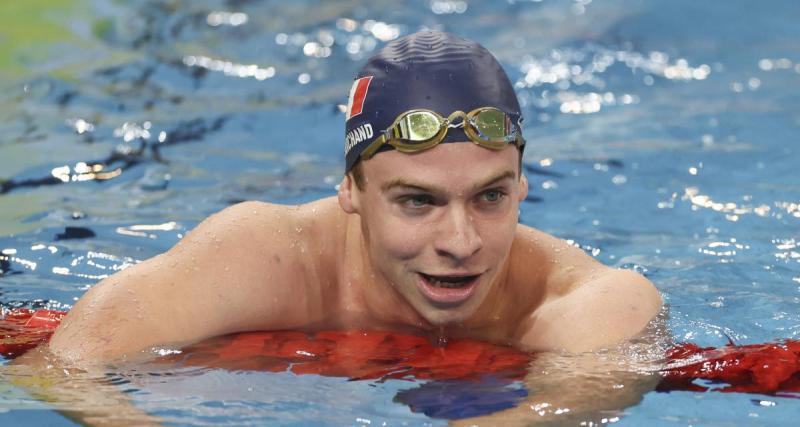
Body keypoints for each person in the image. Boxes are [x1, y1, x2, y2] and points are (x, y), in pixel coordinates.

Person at [15, 31, 662, 425]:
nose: (461, 241)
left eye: (490, 196)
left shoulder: (590, 303)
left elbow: (575, 398)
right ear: (350, 190)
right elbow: (61, 366)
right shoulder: (264, 255)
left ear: (522, 187)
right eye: (417, 201)